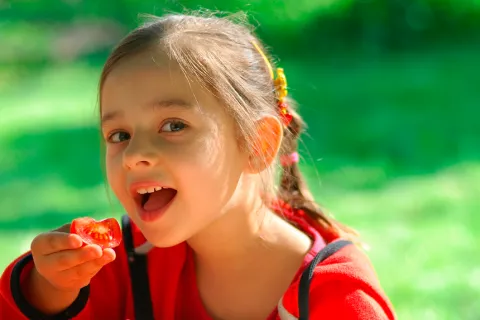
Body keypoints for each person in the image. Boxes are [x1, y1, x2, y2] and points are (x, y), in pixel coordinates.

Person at [0, 12, 396, 320]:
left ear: (257, 144)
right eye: (118, 135)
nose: (136, 153)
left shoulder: (335, 295)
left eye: (173, 126)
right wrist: (49, 287)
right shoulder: (122, 266)